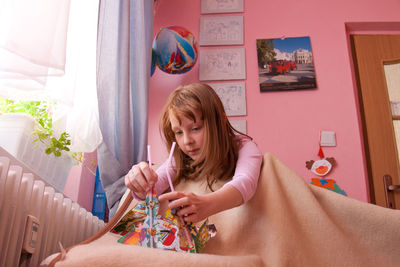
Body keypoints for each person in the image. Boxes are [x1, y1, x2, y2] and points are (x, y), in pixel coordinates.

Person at [125, 83, 262, 223]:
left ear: (221, 120)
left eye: (195, 128)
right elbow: (155, 185)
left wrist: (206, 204)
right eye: (178, 132)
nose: (186, 141)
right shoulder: (178, 159)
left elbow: (245, 182)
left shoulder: (244, 147)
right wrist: (140, 185)